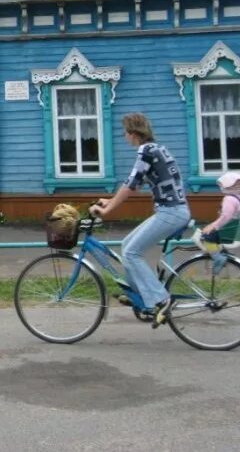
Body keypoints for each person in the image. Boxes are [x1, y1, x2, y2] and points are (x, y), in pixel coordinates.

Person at [90, 113, 191, 328]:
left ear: (133, 133)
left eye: (125, 132)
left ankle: (162, 300)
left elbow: (132, 184)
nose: (124, 136)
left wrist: (107, 211)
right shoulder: (156, 148)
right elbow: (131, 181)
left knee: (131, 252)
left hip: (171, 212)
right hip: (172, 210)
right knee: (127, 245)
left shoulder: (146, 151)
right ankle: (142, 297)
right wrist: (109, 202)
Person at [196, 171, 240, 251]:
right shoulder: (238, 197)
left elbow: (226, 217)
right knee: (206, 230)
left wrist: (213, 226)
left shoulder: (229, 199)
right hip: (233, 230)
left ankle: (217, 256)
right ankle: (221, 253)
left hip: (226, 232)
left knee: (206, 236)